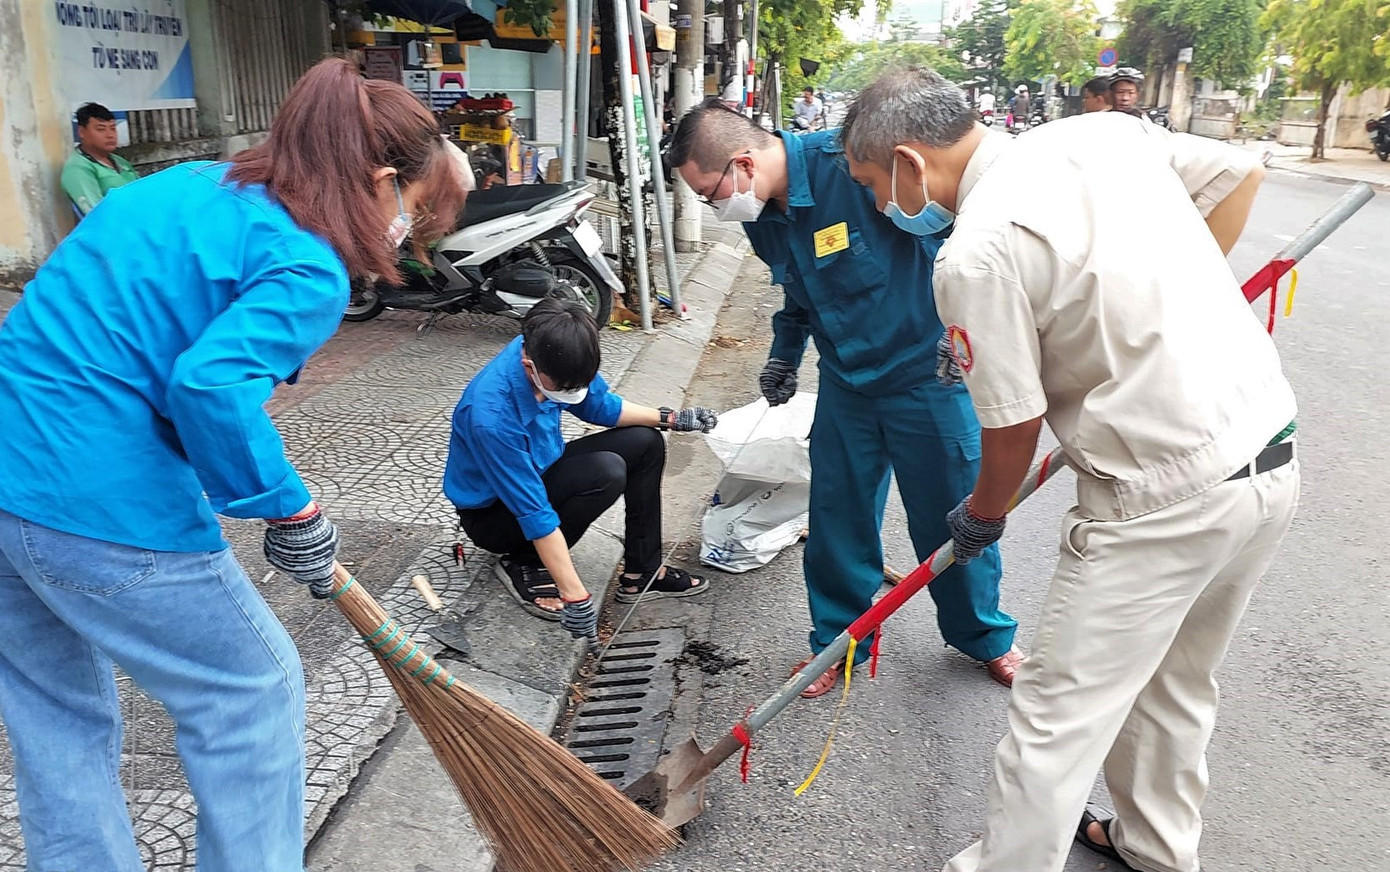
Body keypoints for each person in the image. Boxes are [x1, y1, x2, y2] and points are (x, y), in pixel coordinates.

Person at [0, 59, 467, 872]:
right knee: (252, 691)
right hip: (99, 503)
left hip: (9, 480)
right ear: (383, 180)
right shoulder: (309, 264)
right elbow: (209, 386)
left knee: (57, 714)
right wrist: (290, 510)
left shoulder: (183, 186)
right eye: (414, 209)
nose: (404, 231)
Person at [843, 68, 1293, 872]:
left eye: (874, 184)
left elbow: (1010, 426)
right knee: (1174, 687)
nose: (881, 206)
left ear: (910, 162)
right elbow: (1241, 172)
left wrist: (982, 514)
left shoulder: (975, 254)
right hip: (1267, 453)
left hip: (1161, 497)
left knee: (1055, 719)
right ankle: (1155, 849)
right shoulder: (1100, 135)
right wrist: (1176, 310)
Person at [668, 97, 1021, 696]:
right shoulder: (763, 217)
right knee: (838, 520)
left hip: (926, 378)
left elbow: (962, 235)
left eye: (711, 194)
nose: (716, 209)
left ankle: (983, 636)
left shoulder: (856, 164)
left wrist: (967, 325)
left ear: (744, 166)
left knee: (952, 516)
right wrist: (784, 352)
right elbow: (799, 292)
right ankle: (839, 644)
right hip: (847, 386)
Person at [445, 298, 716, 643]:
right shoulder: (491, 418)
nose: (571, 393)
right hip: (495, 516)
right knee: (605, 471)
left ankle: (642, 572)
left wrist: (672, 419)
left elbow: (599, 405)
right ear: (529, 365)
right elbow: (532, 510)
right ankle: (523, 561)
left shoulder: (553, 346)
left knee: (646, 441)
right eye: (564, 388)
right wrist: (576, 595)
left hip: (542, 472)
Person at [61, 102, 139, 216]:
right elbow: (96, 214)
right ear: (82, 132)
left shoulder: (120, 162)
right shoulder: (78, 168)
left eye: (113, 129)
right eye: (101, 129)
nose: (110, 135)